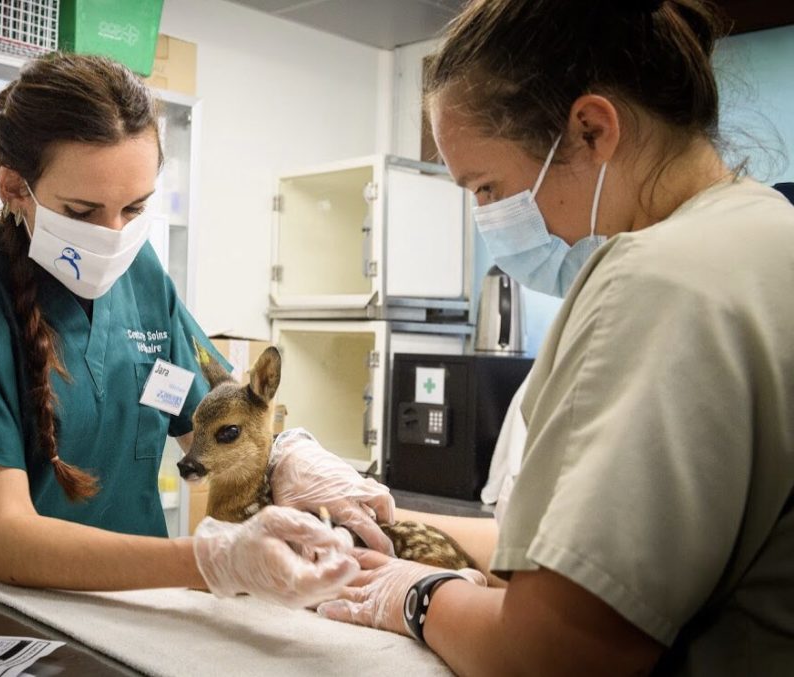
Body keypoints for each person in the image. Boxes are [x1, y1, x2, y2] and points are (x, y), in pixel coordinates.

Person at [317, 1, 794, 674]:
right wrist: (386, 518)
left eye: (487, 187)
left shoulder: (659, 278)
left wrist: (414, 597)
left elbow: (557, 652)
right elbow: (582, 558)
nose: (487, 219)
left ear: (592, 129)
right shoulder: (764, 233)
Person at [0, 53, 395, 607]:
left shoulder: (142, 273)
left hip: (137, 605)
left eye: (134, 209)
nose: (112, 236)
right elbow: (7, 540)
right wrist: (212, 560)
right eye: (82, 212)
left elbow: (223, 420)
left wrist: (289, 459)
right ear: (14, 186)